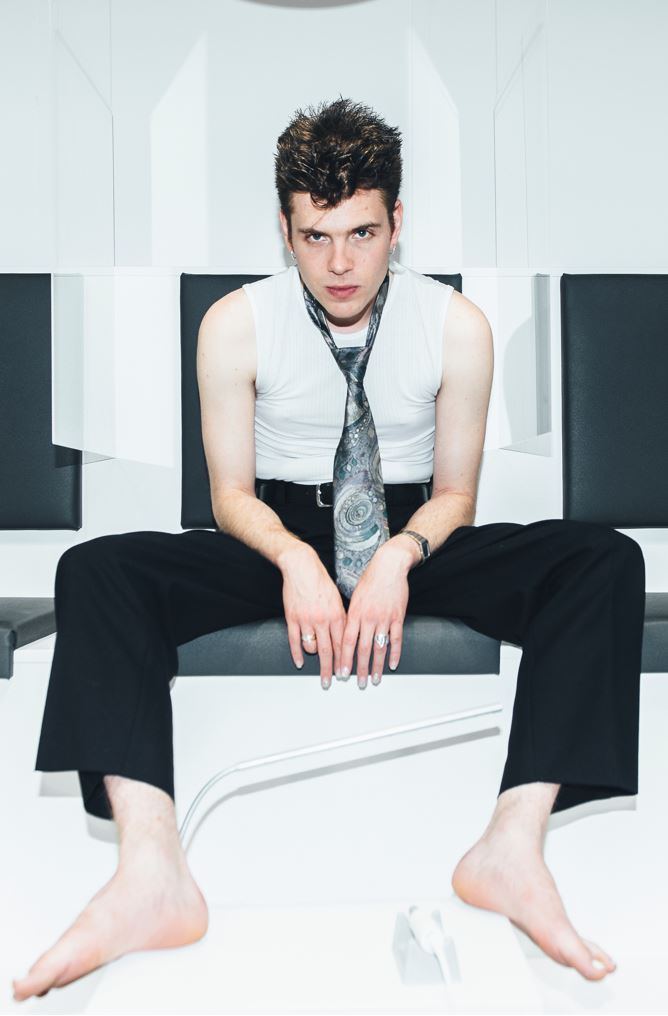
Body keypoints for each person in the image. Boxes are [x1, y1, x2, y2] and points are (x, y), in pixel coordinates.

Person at [13, 97, 645, 1001]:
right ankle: (150, 870)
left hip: (414, 534)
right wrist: (295, 561)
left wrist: (398, 556)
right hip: (276, 532)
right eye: (315, 237)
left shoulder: (455, 325)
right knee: (97, 569)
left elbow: (457, 497)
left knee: (603, 559)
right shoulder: (235, 323)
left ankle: (513, 845)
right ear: (284, 230)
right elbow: (229, 496)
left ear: (398, 222)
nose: (340, 263)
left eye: (361, 234)